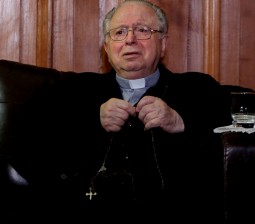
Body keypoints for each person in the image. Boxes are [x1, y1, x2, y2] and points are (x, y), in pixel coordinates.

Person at [28, 0, 232, 222]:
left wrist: (179, 121)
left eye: (143, 30)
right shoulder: (75, 90)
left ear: (163, 43)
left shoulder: (196, 88)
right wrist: (92, 121)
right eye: (120, 32)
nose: (130, 39)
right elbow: (31, 138)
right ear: (107, 47)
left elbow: (253, 116)